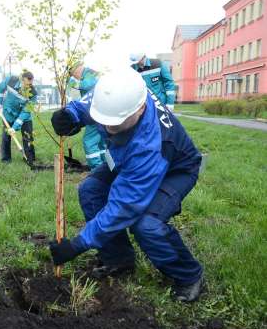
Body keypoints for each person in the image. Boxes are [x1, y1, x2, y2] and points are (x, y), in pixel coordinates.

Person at [49, 67, 204, 302]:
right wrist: (69, 115)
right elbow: (84, 106)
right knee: (90, 190)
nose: (109, 128)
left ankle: (189, 275)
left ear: (140, 109)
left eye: (116, 123)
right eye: (105, 121)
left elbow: (123, 207)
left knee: (146, 225)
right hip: (126, 159)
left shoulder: (148, 145)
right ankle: (118, 259)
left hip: (175, 169)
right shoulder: (112, 94)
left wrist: (78, 244)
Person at [67, 63, 107, 169]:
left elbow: (87, 85)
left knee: (89, 142)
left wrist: (73, 83)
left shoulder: (90, 74)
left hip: (95, 114)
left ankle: (97, 170)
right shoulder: (90, 73)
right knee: (102, 144)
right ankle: (109, 168)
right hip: (101, 111)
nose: (74, 77)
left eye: (73, 74)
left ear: (77, 70)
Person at [0, 70, 38, 165]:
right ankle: (6, 159)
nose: (29, 87)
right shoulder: (11, 80)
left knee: (28, 135)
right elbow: (1, 88)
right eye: (26, 84)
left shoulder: (33, 93)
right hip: (9, 112)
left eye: (30, 84)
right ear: (21, 80)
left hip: (24, 116)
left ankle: (29, 158)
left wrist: (14, 128)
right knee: (6, 136)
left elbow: (26, 111)